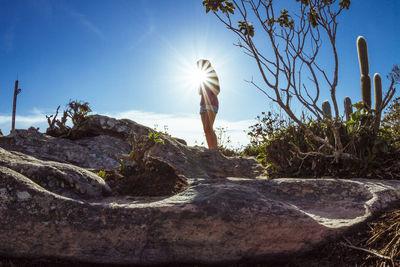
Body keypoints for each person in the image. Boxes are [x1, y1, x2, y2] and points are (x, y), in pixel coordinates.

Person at [197, 59, 220, 150]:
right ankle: (211, 149)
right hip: (203, 104)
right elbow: (199, 92)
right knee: (206, 130)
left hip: (211, 104)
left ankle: (215, 150)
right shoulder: (202, 77)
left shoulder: (213, 74)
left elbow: (217, 90)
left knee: (209, 128)